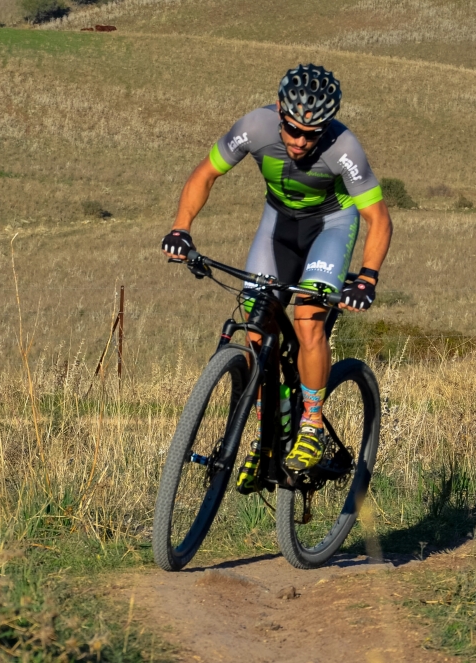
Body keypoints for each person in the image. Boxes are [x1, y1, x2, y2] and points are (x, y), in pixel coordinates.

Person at [161, 64, 393, 489]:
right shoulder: (254, 126)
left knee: (307, 321)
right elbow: (205, 173)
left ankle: (311, 424)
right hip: (278, 227)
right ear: (280, 111)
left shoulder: (345, 149)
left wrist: (368, 278)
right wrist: (181, 228)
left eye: (312, 133)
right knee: (255, 325)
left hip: (330, 228)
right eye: (293, 130)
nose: (301, 141)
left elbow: (378, 218)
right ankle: (272, 431)